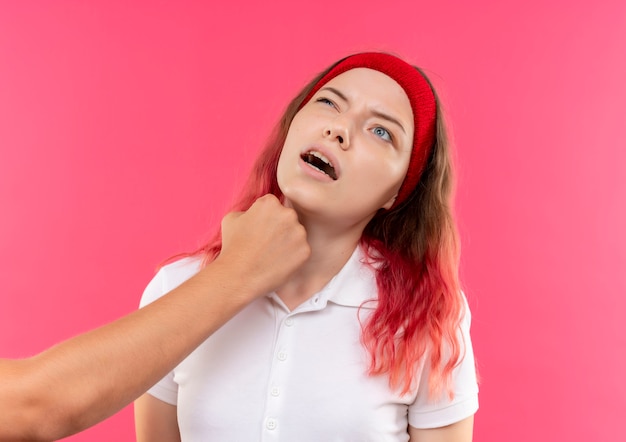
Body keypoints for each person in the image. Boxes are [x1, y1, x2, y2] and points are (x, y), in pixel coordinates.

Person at [135, 52, 479, 441]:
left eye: (381, 131)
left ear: (399, 191)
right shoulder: (177, 286)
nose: (338, 129)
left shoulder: (426, 317)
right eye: (329, 102)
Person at [0, 195, 310, 442]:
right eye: (328, 109)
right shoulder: (175, 283)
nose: (338, 131)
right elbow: (34, 406)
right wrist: (238, 270)